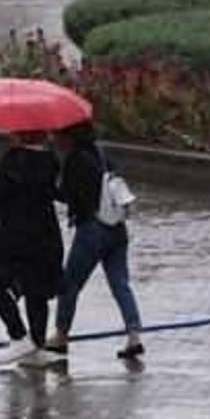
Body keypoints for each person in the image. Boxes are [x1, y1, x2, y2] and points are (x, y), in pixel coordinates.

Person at [46, 125, 144, 360]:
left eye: (56, 134)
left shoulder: (75, 161)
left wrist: (49, 186)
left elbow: (68, 196)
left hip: (92, 231)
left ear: (68, 136)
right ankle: (134, 335)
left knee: (69, 285)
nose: (53, 138)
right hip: (117, 229)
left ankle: (60, 336)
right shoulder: (101, 154)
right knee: (120, 284)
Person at [0, 130, 64, 367]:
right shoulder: (50, 159)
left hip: (15, 235)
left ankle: (18, 336)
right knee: (36, 290)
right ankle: (37, 346)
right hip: (46, 233)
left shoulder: (13, 158)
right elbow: (54, 192)